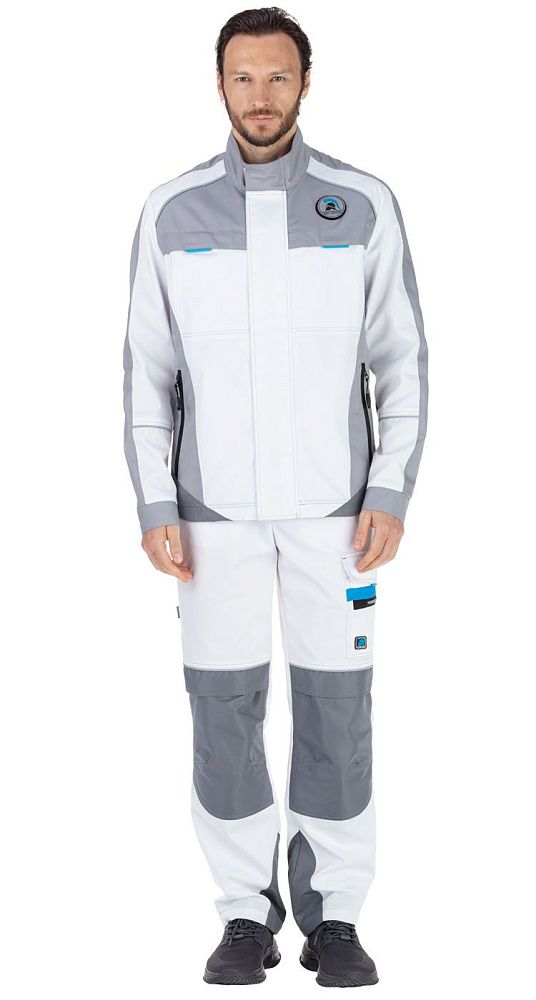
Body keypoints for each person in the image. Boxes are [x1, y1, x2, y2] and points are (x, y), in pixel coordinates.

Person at [122, 6, 428, 988]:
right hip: (209, 519)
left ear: (305, 83)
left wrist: (389, 487)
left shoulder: (361, 204)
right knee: (223, 713)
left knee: (338, 713)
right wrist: (156, 505)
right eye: (243, 77)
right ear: (219, 84)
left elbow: (402, 359)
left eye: (277, 77)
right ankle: (243, 912)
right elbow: (146, 372)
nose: (260, 96)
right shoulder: (171, 212)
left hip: (339, 519)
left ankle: (334, 915)